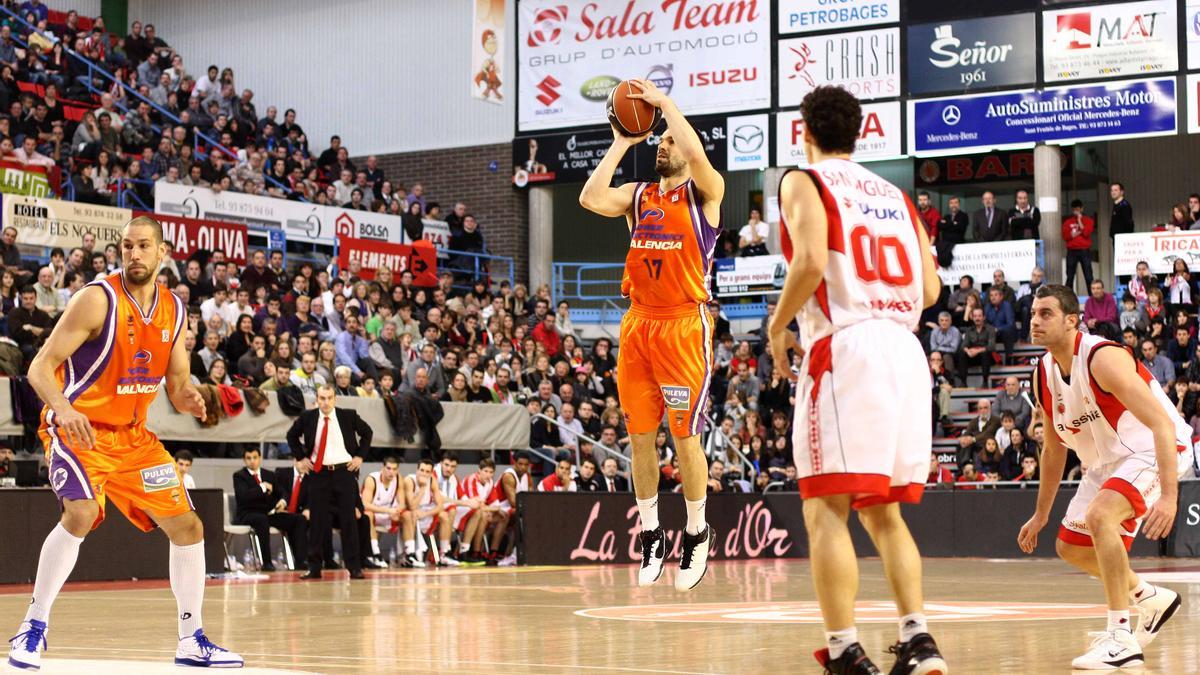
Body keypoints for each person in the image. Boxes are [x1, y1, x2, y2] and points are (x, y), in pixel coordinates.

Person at [7, 216, 242, 669]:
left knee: (189, 529)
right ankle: (33, 627)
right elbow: (39, 368)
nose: (134, 254)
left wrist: (190, 398)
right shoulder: (96, 300)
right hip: (80, 430)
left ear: (162, 253)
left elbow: (176, 384)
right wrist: (66, 409)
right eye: (127, 246)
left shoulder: (175, 309)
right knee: (81, 512)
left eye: (143, 246)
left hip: (134, 440)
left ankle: (191, 639)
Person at [767, 86, 947, 674]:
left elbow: (812, 260)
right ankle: (918, 642)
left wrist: (776, 326)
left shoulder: (803, 180)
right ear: (861, 132)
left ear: (804, 132)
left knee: (824, 508)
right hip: (904, 347)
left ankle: (844, 648)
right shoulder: (897, 194)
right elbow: (929, 292)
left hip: (847, 345)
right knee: (884, 513)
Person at [579, 77, 721, 591]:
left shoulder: (706, 194)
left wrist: (665, 107)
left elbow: (697, 152)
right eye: (658, 141)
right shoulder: (639, 197)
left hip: (684, 325)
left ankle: (698, 532)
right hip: (638, 324)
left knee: (684, 439)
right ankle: (651, 534)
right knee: (640, 437)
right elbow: (591, 197)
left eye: (667, 142)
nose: (662, 146)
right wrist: (624, 140)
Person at [1018, 285, 1191, 669]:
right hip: (1105, 463)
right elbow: (1053, 449)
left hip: (1155, 447)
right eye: (1033, 313)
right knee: (1069, 546)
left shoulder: (1102, 358)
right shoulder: (1041, 375)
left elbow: (1162, 424)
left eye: (1046, 313)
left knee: (1100, 517)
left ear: (1071, 320)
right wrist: (1041, 514)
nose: (1035, 320)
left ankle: (1120, 636)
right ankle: (1148, 596)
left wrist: (1168, 495)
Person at [285, 384, 372, 580]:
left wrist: (359, 457)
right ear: (316, 399)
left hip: (344, 472)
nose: (325, 402)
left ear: (335, 399)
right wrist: (300, 458)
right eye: (322, 398)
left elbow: (368, 433)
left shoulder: (347, 416)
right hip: (318, 473)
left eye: (329, 398)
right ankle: (314, 567)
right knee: (317, 521)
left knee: (348, 520)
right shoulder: (308, 417)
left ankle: (354, 567)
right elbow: (291, 436)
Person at [232, 446, 307, 572]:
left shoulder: (269, 475)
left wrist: (282, 502)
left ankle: (300, 561)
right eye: (248, 458)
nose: (252, 461)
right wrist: (262, 487)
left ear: (260, 458)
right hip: (248, 514)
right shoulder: (239, 476)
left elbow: (282, 492)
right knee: (262, 520)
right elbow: (244, 496)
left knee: (298, 519)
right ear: (244, 460)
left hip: (268, 514)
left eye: (255, 457)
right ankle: (266, 563)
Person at [1063, 199, 1095, 291]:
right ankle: (1068, 298)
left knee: (1088, 275)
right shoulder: (1068, 222)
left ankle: (1092, 298)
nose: (1076, 211)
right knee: (1070, 276)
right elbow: (1066, 236)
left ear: (1081, 209)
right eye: (1074, 209)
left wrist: (1080, 220)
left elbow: (1086, 233)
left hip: (1084, 250)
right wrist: (1077, 232)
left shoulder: (1088, 220)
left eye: (1077, 209)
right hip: (1071, 251)